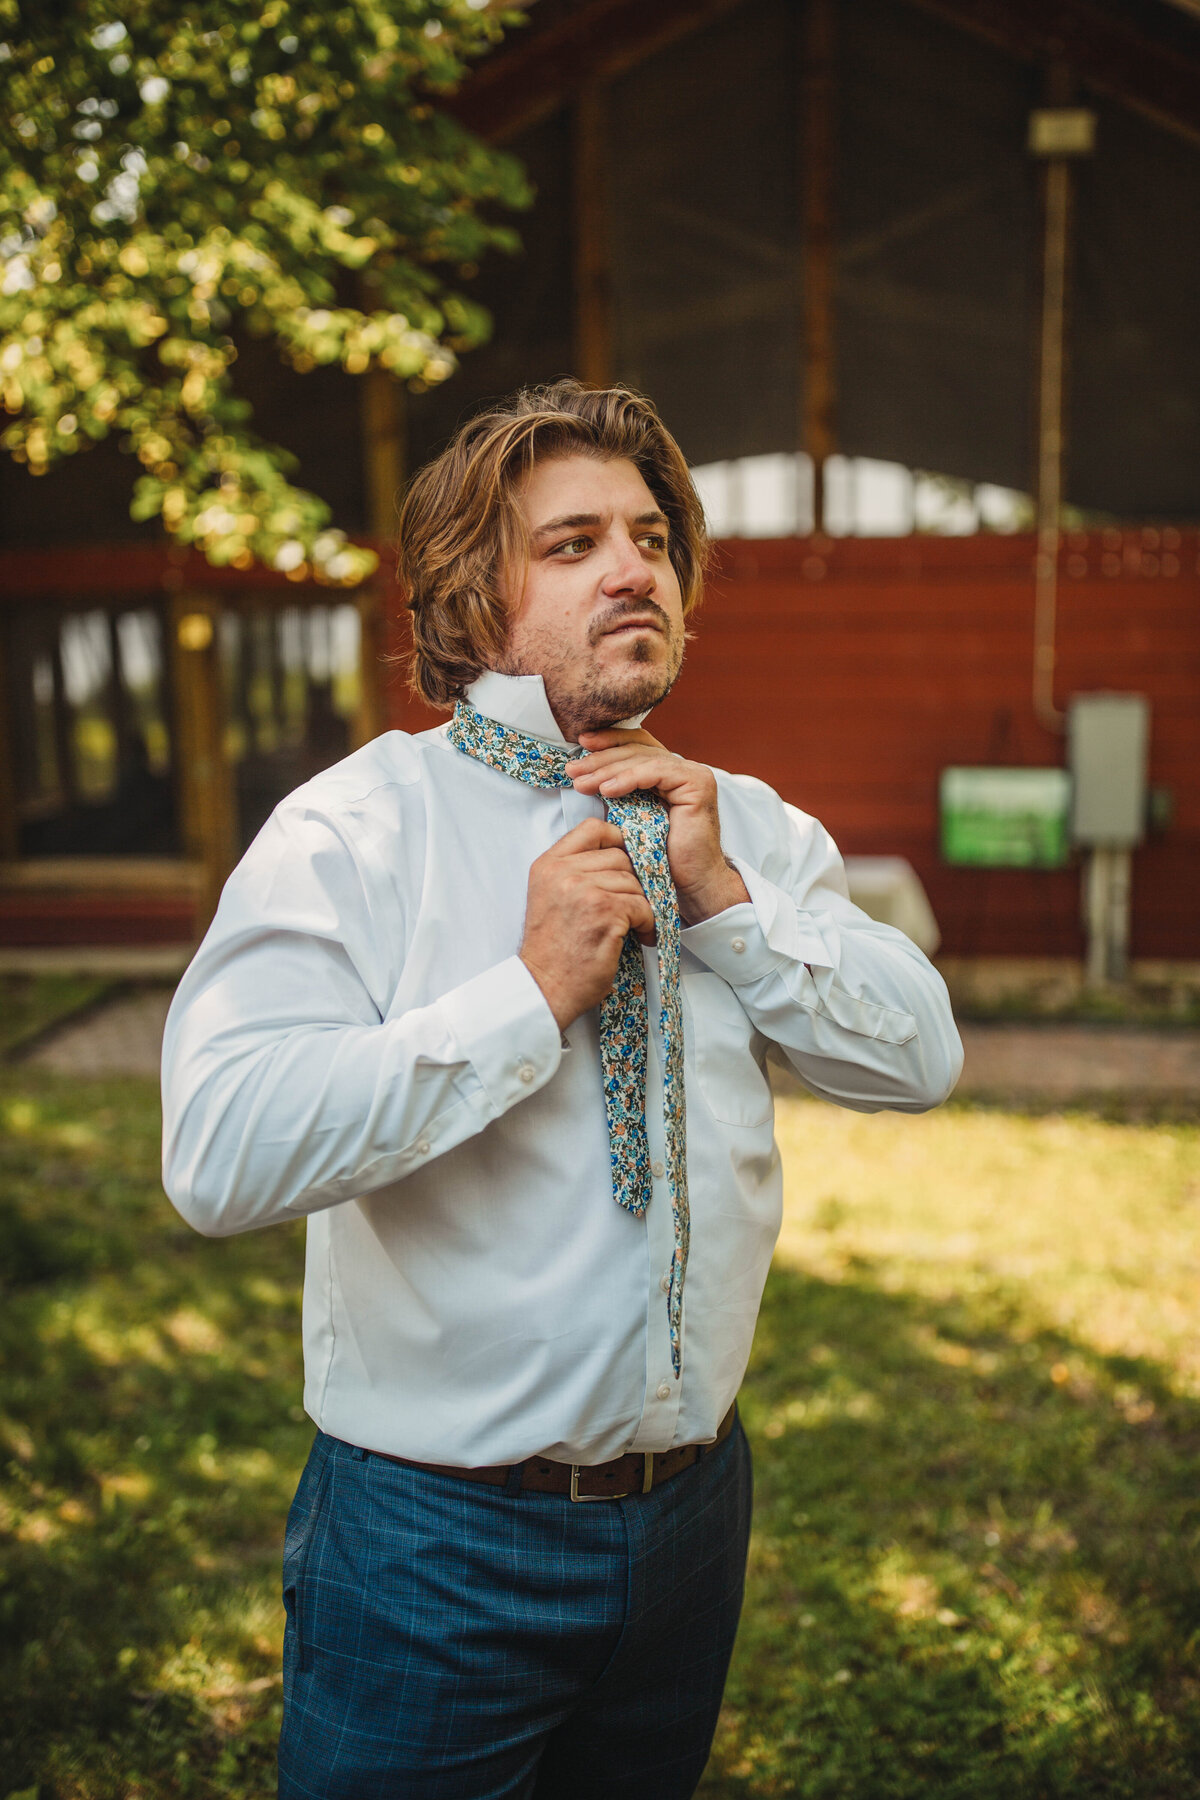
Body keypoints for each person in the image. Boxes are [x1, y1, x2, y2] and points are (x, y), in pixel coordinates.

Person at [161, 380, 962, 1799]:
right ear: (473, 598)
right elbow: (220, 1154)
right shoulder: (354, 827)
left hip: (694, 1523)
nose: (634, 567)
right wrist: (524, 995)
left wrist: (725, 902)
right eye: (576, 541)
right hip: (433, 1547)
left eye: (651, 537)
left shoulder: (750, 824)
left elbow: (916, 1057)